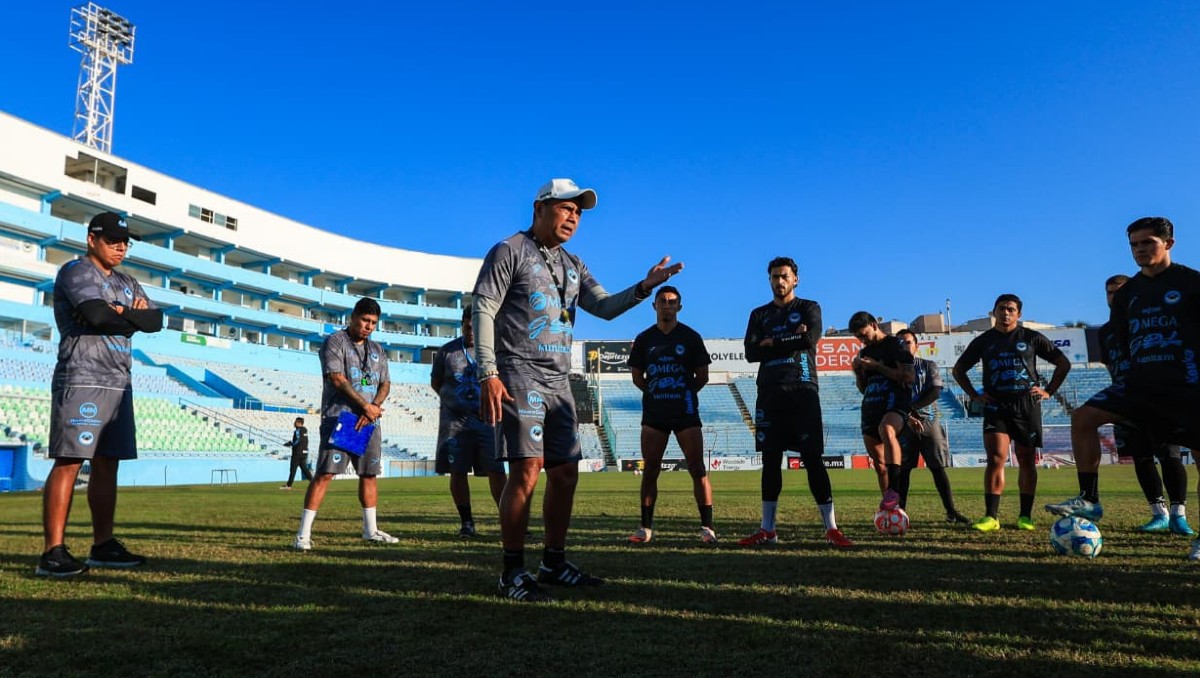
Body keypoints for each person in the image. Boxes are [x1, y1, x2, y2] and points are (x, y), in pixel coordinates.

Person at [474, 178, 682, 602]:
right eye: (566, 207)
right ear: (540, 207)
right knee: (527, 471)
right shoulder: (509, 250)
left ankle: (553, 561)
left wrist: (645, 287)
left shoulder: (574, 263)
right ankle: (512, 572)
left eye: (579, 212)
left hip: (559, 378)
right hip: (518, 372)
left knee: (566, 472)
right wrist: (487, 373)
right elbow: (484, 307)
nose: (574, 216)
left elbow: (604, 308)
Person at [1044, 218, 1200, 561]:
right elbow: (1123, 343)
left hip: (1188, 385)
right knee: (1084, 417)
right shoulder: (1128, 294)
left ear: (1169, 244)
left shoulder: (1191, 282)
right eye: (1134, 245)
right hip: (1140, 385)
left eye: (1148, 243)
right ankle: (1090, 499)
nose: (1140, 250)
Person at [37, 212, 163, 577]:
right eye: (113, 240)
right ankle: (52, 552)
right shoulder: (76, 271)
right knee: (70, 460)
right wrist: (130, 316)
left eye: (125, 241)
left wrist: (122, 314)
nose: (121, 247)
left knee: (109, 462)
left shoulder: (127, 281)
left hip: (119, 381)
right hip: (83, 378)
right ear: (92, 239)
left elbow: (156, 321)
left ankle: (102, 545)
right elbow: (96, 316)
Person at [739, 256, 853, 549]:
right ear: (769, 280)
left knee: (813, 458)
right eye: (774, 277)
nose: (779, 281)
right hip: (769, 391)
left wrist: (772, 343)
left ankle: (831, 529)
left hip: (802, 390)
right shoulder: (759, 314)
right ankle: (768, 530)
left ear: (795, 279)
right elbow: (751, 353)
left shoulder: (808, 307)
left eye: (784, 276)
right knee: (770, 461)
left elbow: (810, 340)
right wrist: (791, 337)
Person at [952, 294, 1070, 533]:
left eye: (1011, 309)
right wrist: (974, 395)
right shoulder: (984, 341)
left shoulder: (1031, 337)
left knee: (1026, 459)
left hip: (1026, 405)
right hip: (996, 406)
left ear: (1019, 314)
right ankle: (991, 516)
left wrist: (1049, 391)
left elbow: (1063, 363)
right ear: (993, 312)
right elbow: (958, 370)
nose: (1006, 313)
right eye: (1001, 309)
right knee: (996, 457)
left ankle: (1025, 515)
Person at [293, 297, 398, 550]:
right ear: (353, 317)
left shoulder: (377, 350)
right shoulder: (335, 342)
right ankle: (302, 535)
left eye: (373, 323)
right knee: (326, 473)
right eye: (365, 320)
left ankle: (370, 531)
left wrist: (372, 408)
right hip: (342, 417)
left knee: (369, 475)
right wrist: (366, 407)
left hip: (368, 420)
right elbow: (337, 379)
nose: (368, 326)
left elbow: (385, 383)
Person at [1099, 275, 1192, 535]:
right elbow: (1111, 365)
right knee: (1140, 457)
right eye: (1109, 293)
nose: (1114, 297)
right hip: (1127, 400)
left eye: (1120, 292)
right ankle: (1158, 513)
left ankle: (1178, 513)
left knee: (1169, 454)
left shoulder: (1149, 323)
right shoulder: (1104, 332)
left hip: (1158, 396)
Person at [625, 285, 717, 544]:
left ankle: (707, 528)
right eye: (663, 301)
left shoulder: (691, 337)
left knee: (698, 468)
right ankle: (645, 527)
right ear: (654, 306)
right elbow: (636, 377)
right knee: (650, 469)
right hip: (654, 414)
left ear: (679, 306)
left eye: (672, 301)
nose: (667, 305)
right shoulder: (644, 339)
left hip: (685, 412)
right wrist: (655, 394)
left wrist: (684, 393)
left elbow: (703, 376)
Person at [431, 304, 507, 537]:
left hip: (489, 422)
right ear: (462, 324)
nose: (472, 331)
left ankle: (510, 520)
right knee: (458, 471)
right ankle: (467, 523)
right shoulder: (447, 352)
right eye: (467, 326)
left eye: (476, 327)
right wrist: (456, 402)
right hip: (455, 425)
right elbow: (436, 383)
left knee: (497, 472)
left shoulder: (495, 350)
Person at [893, 329, 969, 524]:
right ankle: (900, 513)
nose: (904, 346)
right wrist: (908, 414)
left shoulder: (928, 365)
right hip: (903, 423)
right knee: (903, 470)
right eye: (900, 343)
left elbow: (935, 392)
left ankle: (952, 512)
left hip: (928, 422)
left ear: (916, 345)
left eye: (908, 342)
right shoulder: (892, 369)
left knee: (937, 468)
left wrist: (911, 408)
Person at [849, 312, 914, 512]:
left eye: (864, 334)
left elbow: (908, 376)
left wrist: (878, 366)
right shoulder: (864, 353)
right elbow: (863, 388)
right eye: (858, 337)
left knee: (887, 429)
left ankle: (894, 489)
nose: (862, 339)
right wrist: (858, 372)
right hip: (871, 405)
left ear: (874, 325)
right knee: (879, 464)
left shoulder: (895, 345)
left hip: (894, 402)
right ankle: (891, 508)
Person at [280, 417, 312, 489]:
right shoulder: (305, 430)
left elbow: (297, 440)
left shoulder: (297, 431)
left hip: (297, 453)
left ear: (299, 423)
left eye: (295, 422)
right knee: (304, 469)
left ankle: (288, 485)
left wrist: (291, 443)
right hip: (304, 453)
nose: (294, 423)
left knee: (293, 469)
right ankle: (313, 482)